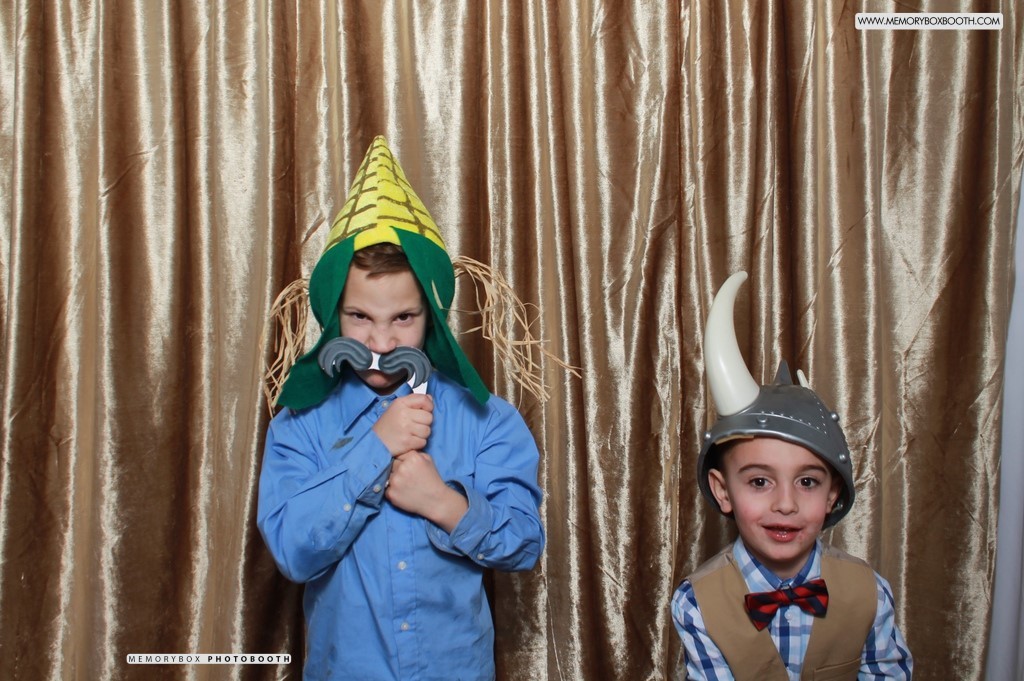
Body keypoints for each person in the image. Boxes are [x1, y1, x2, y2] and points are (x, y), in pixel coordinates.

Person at [257, 136, 549, 680]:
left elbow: (524, 545)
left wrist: (443, 502)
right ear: (333, 316)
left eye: (404, 319)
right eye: (360, 318)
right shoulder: (299, 427)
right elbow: (293, 552)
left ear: (432, 317)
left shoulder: (487, 420)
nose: (382, 343)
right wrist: (375, 449)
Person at [671, 272, 913, 680]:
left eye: (807, 482)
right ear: (722, 490)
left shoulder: (869, 592)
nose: (786, 504)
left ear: (833, 494)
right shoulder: (696, 601)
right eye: (759, 481)